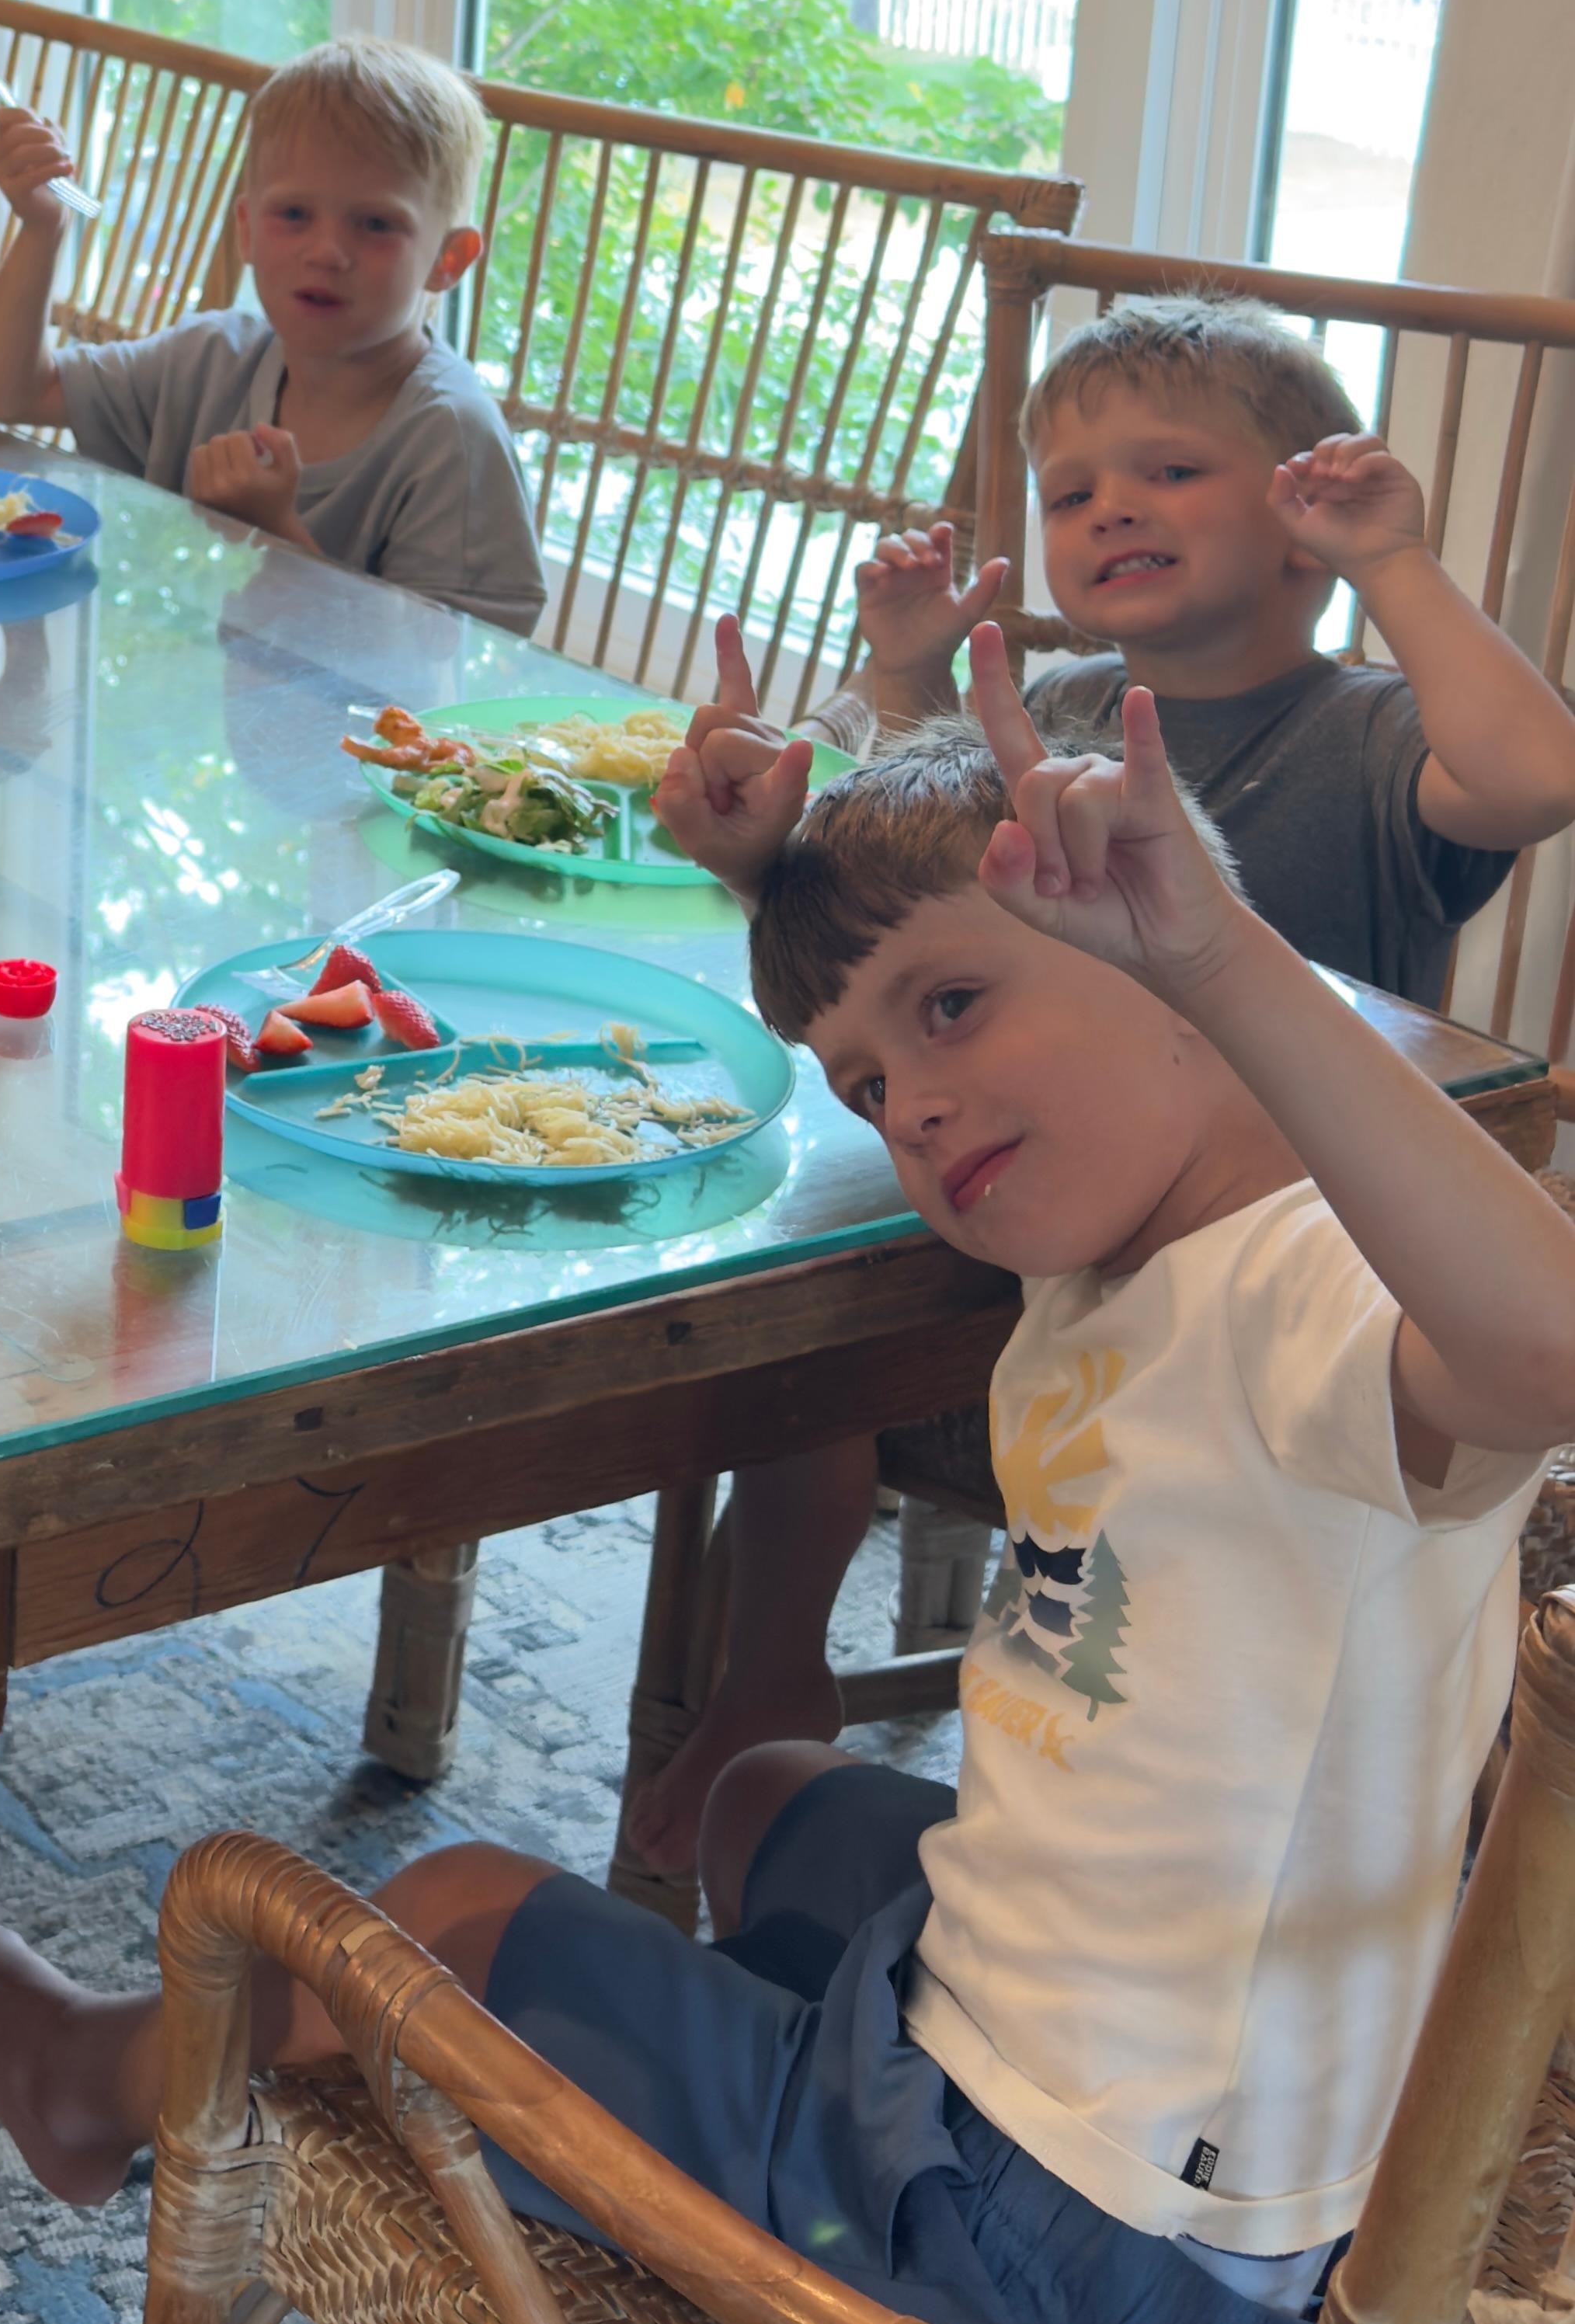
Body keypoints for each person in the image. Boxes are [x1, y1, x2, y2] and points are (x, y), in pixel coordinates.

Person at [0, 642, 1575, 2324]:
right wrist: (798, 901)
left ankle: (83, 2087)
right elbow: (946, 1013)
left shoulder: (1310, 1295)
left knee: (450, 1911)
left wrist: (1225, 956)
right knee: (761, 1798)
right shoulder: (1126, 1237)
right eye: (870, 1088)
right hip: (1103, 2090)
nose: (915, 1106)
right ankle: (755, 2105)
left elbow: (1547, 1351)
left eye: (950, 1013)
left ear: (1169, 970)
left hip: (1079, 2237)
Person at [628, 292, 1575, 1865]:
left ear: (1296, 515)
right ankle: (768, 1662)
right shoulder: (1049, 709)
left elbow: (1537, 777)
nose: (1111, 508)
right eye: (1071, 493)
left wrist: (1390, 563)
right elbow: (896, 942)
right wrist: (793, 817)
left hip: (1296, 1269)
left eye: (1172, 474)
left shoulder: (1367, 733)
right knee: (787, 1294)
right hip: (1047, 1223)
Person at [0, 37, 544, 621]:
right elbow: (10, 393)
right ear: (246, 228)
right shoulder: (214, 359)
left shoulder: (451, 440)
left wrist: (275, 530)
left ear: (449, 260)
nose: (326, 251)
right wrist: (44, 229)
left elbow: (447, 676)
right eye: (294, 215)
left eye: (375, 223)